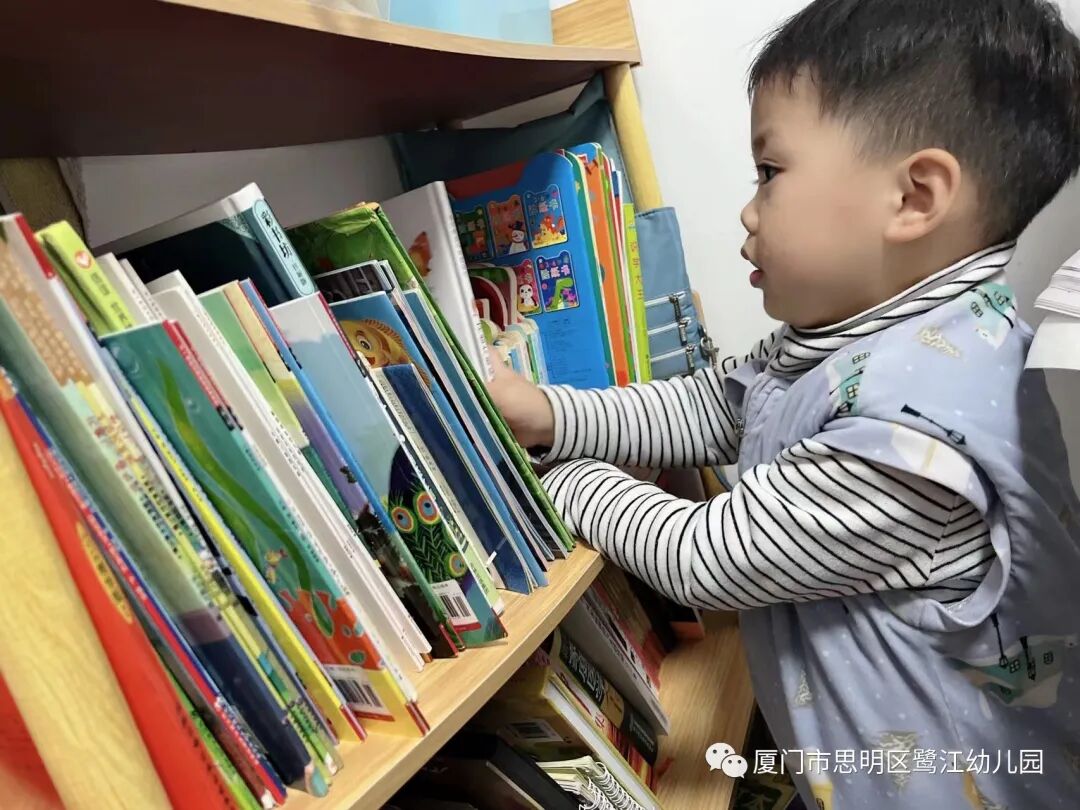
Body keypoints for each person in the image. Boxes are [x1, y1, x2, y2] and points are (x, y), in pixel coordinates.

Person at [487, 1, 1080, 806]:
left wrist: (547, 481)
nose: (748, 208)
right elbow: (716, 408)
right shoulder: (851, 337)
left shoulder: (914, 438)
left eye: (769, 173)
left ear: (915, 197)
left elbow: (703, 555)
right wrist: (552, 416)